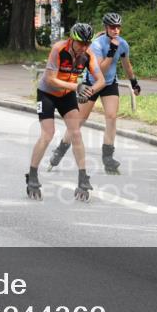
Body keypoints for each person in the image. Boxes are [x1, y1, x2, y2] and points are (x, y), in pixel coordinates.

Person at [48, 12, 141, 175]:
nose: (116, 30)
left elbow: (127, 65)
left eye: (118, 27)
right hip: (93, 84)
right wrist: (111, 52)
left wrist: (134, 82)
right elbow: (100, 70)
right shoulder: (96, 45)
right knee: (78, 122)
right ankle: (60, 150)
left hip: (110, 83)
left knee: (111, 117)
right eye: (112, 27)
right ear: (106, 28)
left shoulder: (123, 44)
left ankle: (108, 157)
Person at [27, 22, 105, 202]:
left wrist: (89, 91)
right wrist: (77, 86)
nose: (84, 47)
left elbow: (101, 80)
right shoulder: (58, 49)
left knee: (76, 132)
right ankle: (32, 175)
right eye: (81, 43)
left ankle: (83, 178)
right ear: (72, 40)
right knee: (48, 134)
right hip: (47, 93)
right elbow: (50, 79)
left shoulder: (88, 55)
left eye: (87, 44)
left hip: (68, 94)